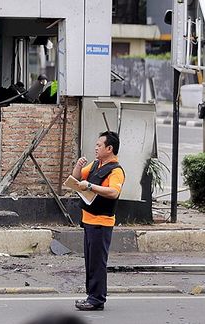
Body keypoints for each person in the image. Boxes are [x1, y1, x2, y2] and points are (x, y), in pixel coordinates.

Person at [71, 131, 125, 311]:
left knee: (98, 263)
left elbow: (114, 192)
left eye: (99, 145)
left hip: (102, 222)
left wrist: (91, 186)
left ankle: (97, 299)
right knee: (90, 261)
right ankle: (91, 296)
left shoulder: (116, 171)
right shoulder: (95, 165)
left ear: (109, 149)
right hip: (89, 220)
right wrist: (79, 166)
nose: (96, 148)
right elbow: (77, 178)